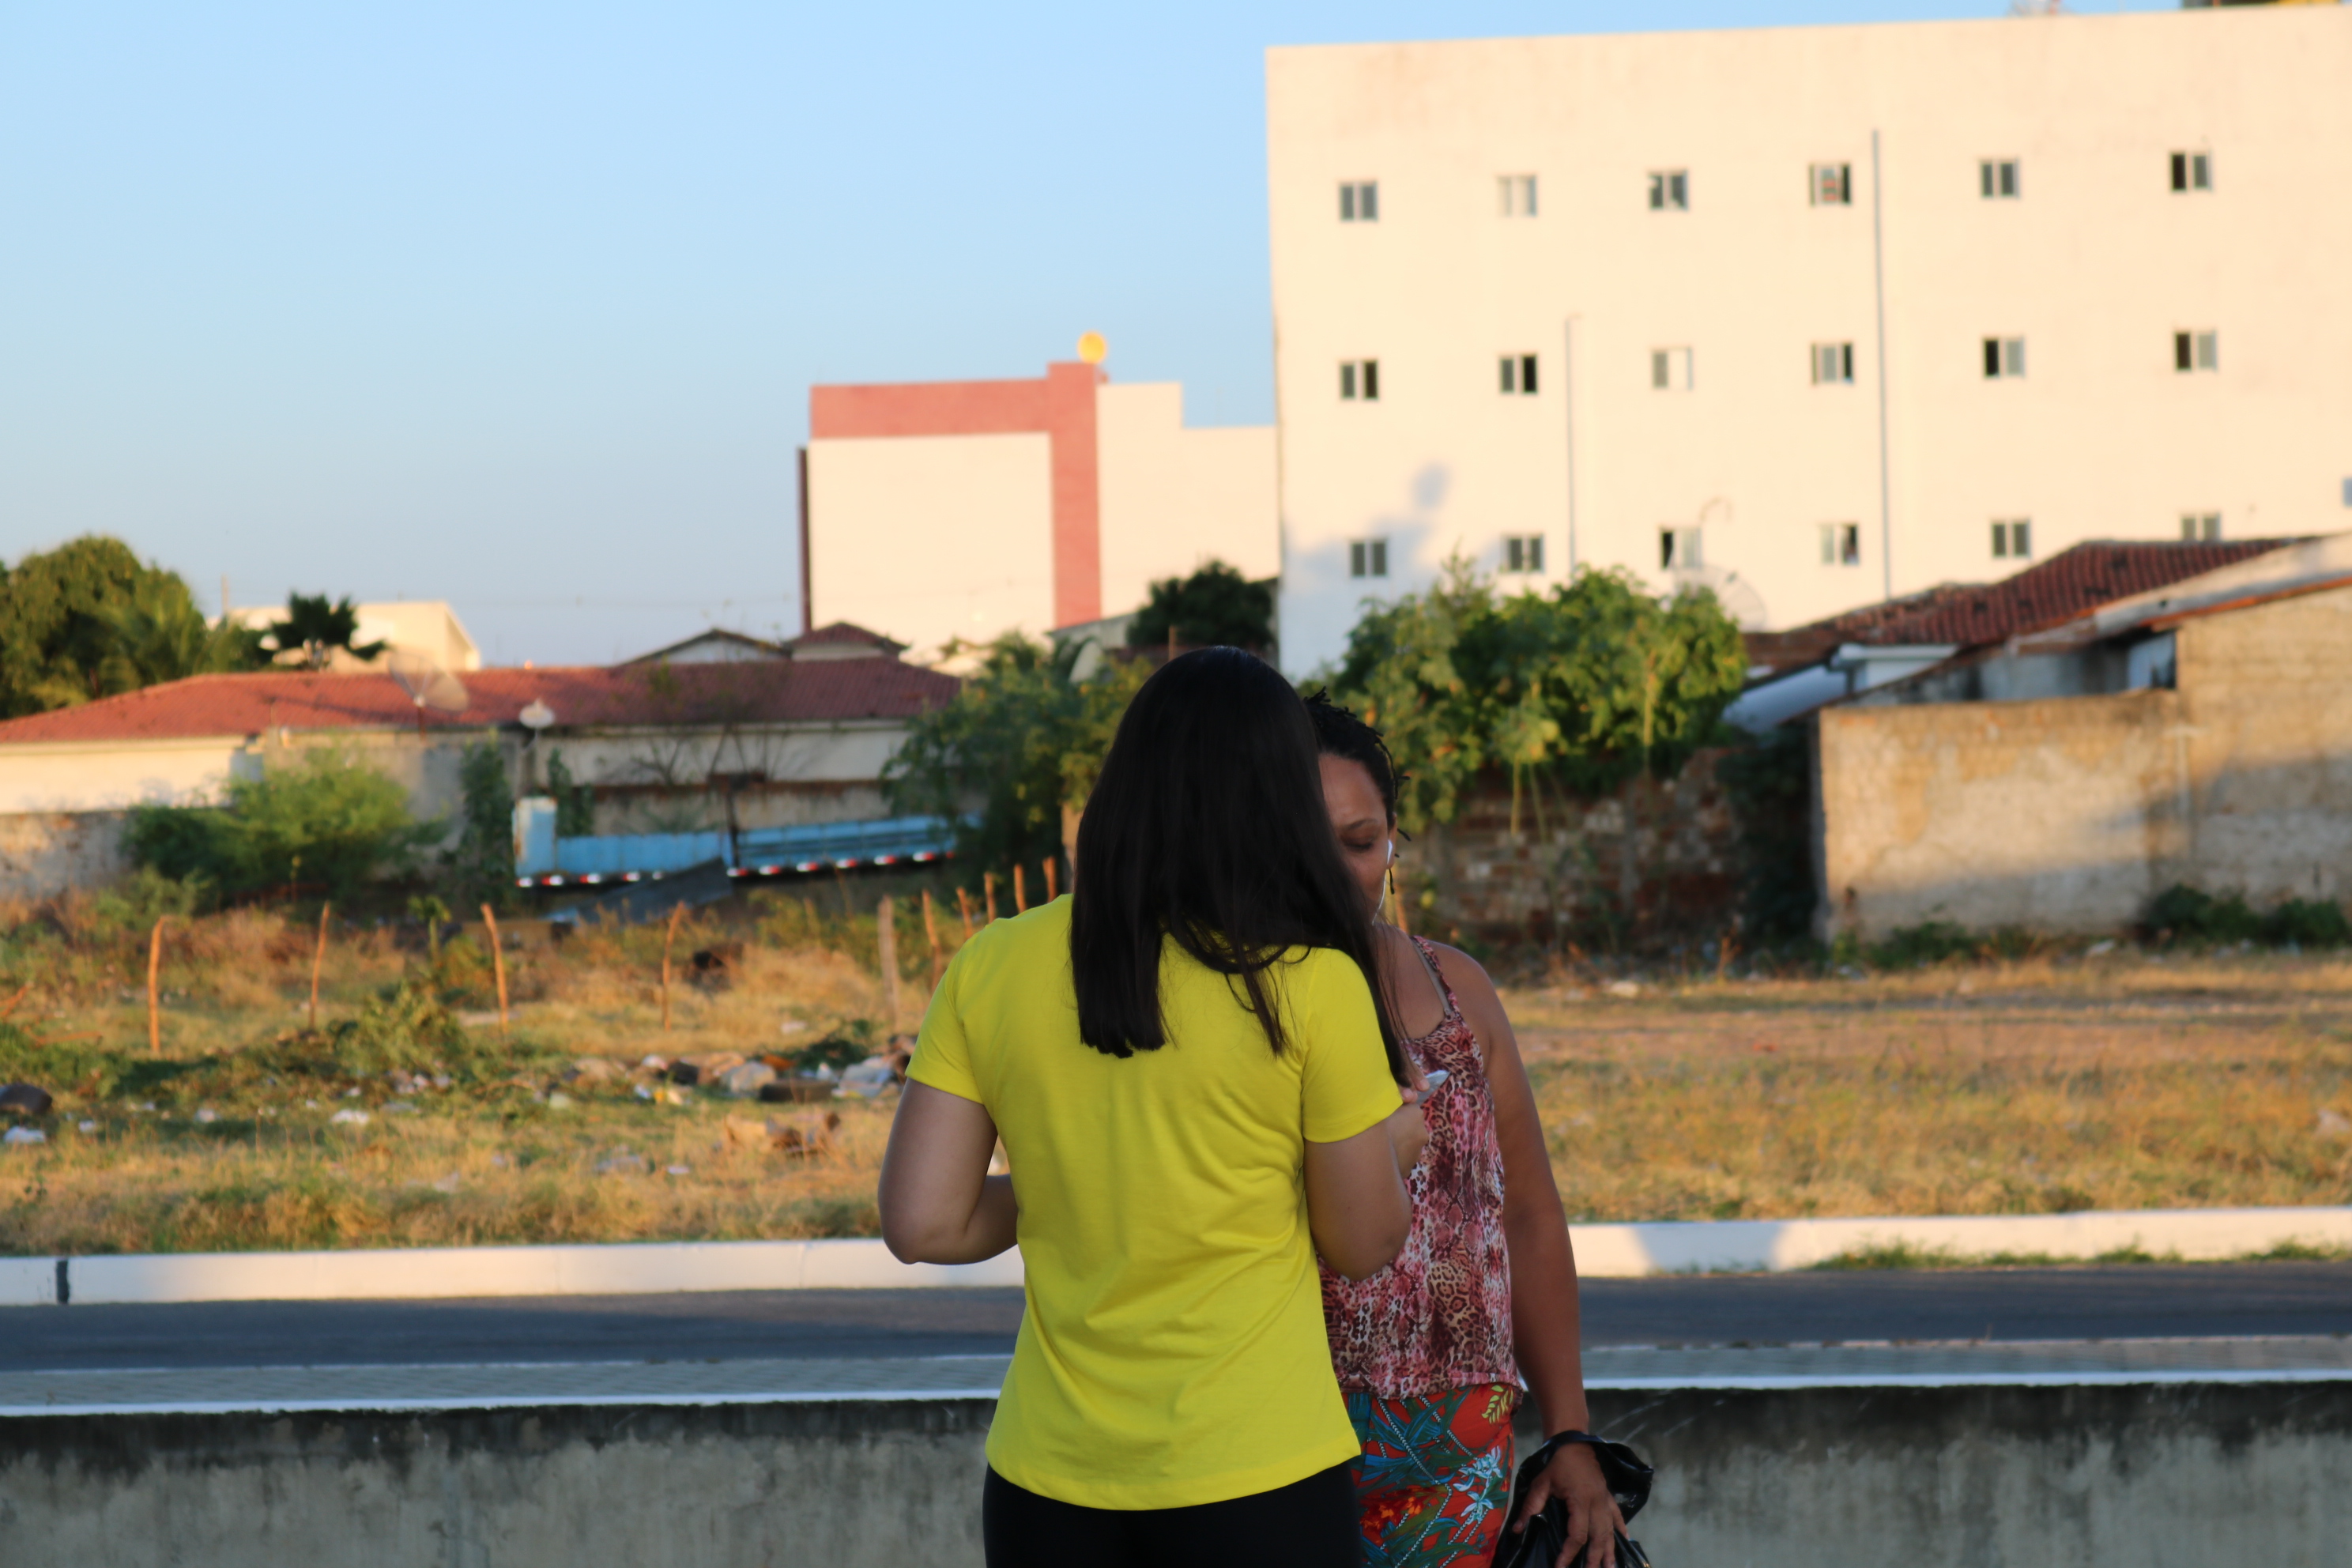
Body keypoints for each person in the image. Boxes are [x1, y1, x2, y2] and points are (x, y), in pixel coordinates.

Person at [879, 647, 1430, 1568]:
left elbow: (924, 1222)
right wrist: (1392, 1147)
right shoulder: (1310, 982)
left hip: (1049, 1492)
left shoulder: (994, 962)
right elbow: (1363, 1241)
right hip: (1260, 1482)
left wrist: (1079, 1183)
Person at [1307, 692, 1625, 1568]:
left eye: (1360, 842)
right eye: (1305, 841)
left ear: (1393, 844)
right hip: (1284, 1447)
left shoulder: (1459, 990)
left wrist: (1569, 1432)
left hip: (1457, 1465)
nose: (1334, 870)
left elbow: (1528, 1213)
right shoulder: (1231, 1007)